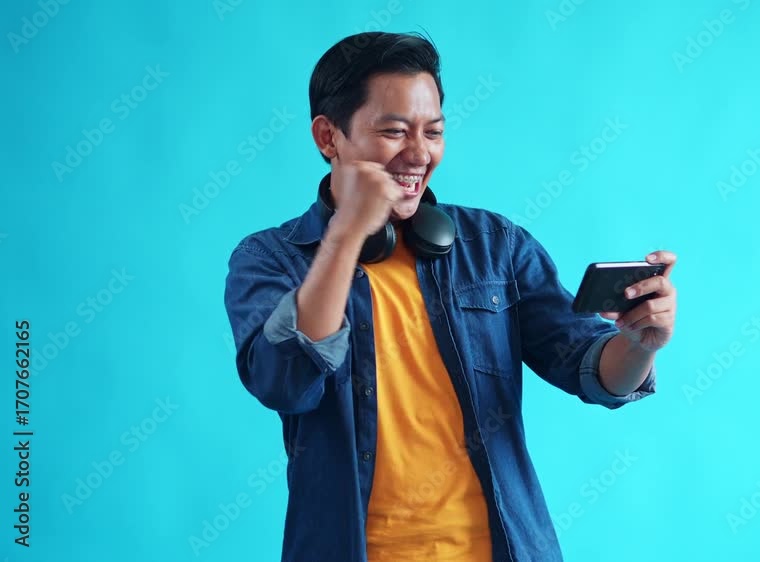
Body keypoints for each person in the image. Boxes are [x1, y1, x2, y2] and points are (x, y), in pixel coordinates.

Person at [223, 31, 677, 562]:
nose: (419, 153)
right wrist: (345, 235)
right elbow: (286, 383)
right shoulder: (270, 259)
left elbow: (592, 371)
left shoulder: (494, 245)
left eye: (433, 132)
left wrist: (639, 344)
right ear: (328, 137)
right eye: (394, 131)